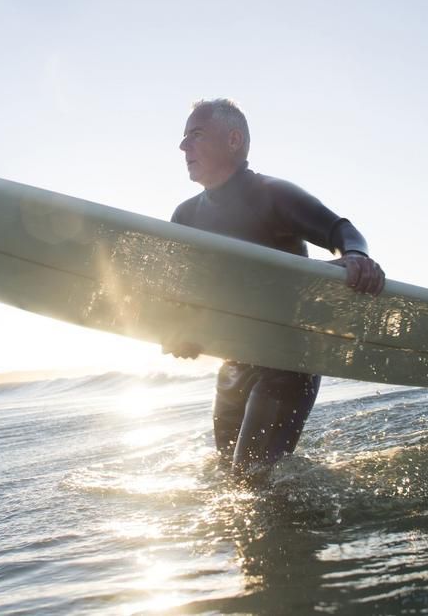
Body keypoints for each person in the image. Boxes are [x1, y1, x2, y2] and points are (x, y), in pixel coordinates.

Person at [164, 99, 385, 480]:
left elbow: (342, 231)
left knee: (251, 478)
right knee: (229, 478)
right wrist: (182, 332)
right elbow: (185, 293)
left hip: (289, 359)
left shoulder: (272, 195)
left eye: (195, 135)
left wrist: (355, 257)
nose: (183, 146)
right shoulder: (184, 217)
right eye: (184, 138)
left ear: (234, 140)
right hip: (234, 364)